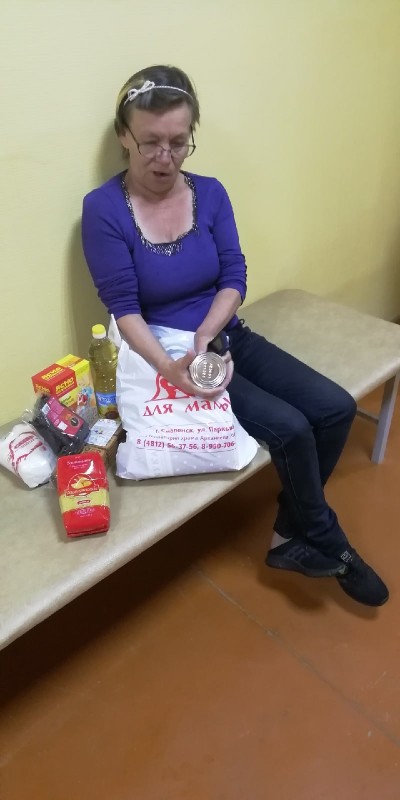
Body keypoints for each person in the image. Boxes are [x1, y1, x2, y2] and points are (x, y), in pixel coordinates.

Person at [82, 64, 388, 608]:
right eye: (150, 142)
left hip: (223, 336)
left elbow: (234, 276)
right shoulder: (104, 209)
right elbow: (124, 309)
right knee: (291, 428)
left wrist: (208, 331)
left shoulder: (211, 193)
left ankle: (292, 534)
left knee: (336, 408)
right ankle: (327, 539)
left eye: (179, 142)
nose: (165, 157)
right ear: (123, 136)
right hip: (165, 354)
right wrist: (173, 365)